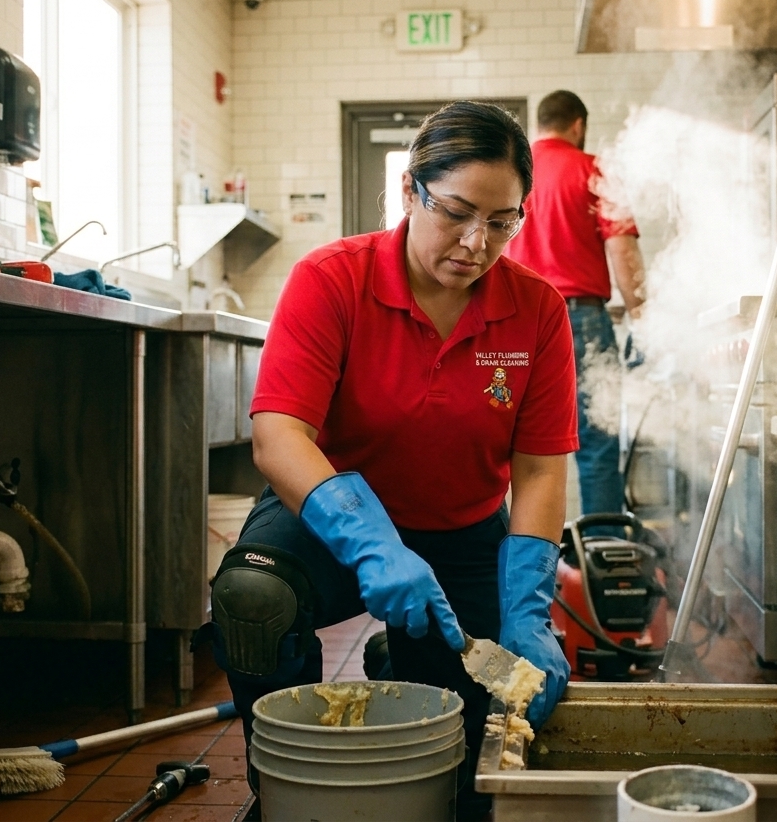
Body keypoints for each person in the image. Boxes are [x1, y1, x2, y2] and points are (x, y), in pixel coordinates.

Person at [209, 101, 576, 820]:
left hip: (464, 528)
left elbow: (538, 469)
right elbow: (279, 436)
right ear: (410, 191)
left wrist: (527, 609)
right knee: (255, 598)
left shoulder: (536, 310)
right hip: (327, 522)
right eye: (458, 212)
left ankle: (397, 662)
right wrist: (372, 543)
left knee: (475, 761)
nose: (477, 242)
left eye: (503, 221)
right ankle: (284, 791)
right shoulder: (333, 280)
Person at [505, 90, 645, 522]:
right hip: (579, 319)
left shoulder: (512, 169)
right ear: (578, 125)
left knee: (506, 440)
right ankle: (602, 554)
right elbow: (622, 252)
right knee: (597, 438)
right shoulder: (595, 170)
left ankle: (510, 551)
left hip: (512, 319)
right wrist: (640, 314)